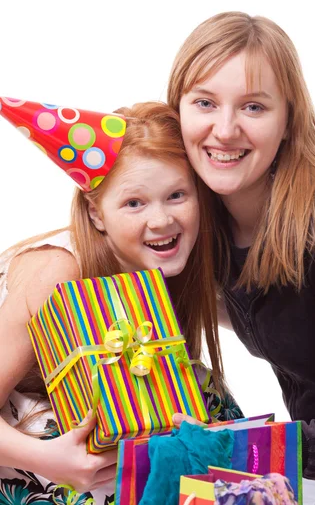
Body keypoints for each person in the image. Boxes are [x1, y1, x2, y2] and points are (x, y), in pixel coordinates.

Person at [167, 12, 315, 500]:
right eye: (205, 102)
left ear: (289, 117)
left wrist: (240, 452)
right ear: (179, 111)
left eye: (253, 107)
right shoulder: (203, 214)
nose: (224, 130)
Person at [0, 98, 242, 504]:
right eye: (134, 203)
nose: (161, 220)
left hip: (92, 413)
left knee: (209, 404)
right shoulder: (59, 273)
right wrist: (50, 459)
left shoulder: (176, 263)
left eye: (177, 195)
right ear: (96, 214)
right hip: (26, 438)